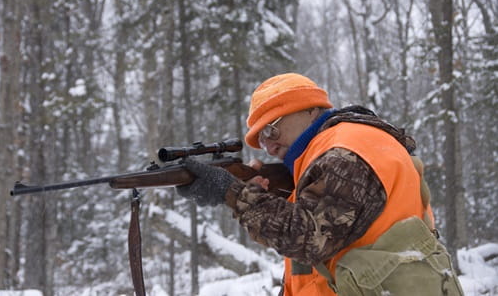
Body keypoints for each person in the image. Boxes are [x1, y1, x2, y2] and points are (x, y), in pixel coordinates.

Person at [177, 73, 464, 295]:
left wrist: (231, 192)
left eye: (271, 128)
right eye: (261, 139)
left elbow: (309, 238)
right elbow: (314, 265)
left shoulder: (345, 153)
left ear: (310, 111)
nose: (268, 145)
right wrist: (265, 195)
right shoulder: (337, 150)